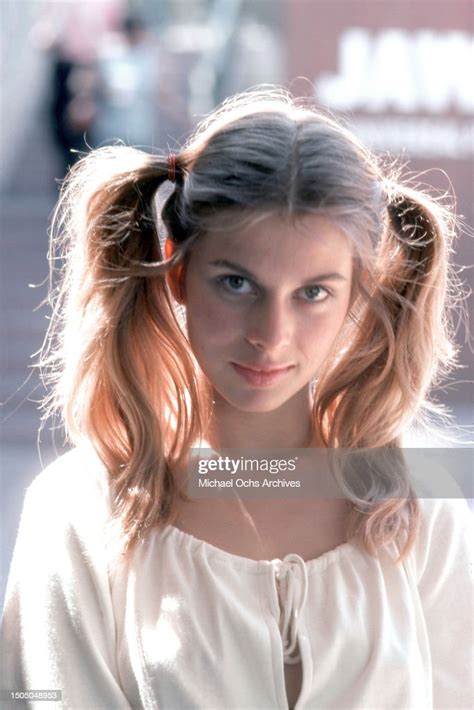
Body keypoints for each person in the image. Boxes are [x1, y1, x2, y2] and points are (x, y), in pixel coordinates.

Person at [1, 88, 472, 709]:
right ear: (178, 276)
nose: (270, 335)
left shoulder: (422, 501)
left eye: (313, 293)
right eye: (237, 282)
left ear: (359, 293)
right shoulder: (79, 509)